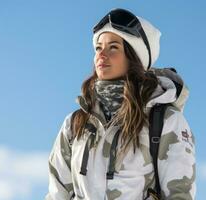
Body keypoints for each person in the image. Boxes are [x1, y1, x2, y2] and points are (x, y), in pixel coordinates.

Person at [45, 8, 196, 200]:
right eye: (98, 48)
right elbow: (57, 194)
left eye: (113, 47)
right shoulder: (75, 123)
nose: (101, 55)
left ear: (134, 57)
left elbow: (179, 194)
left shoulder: (165, 121)